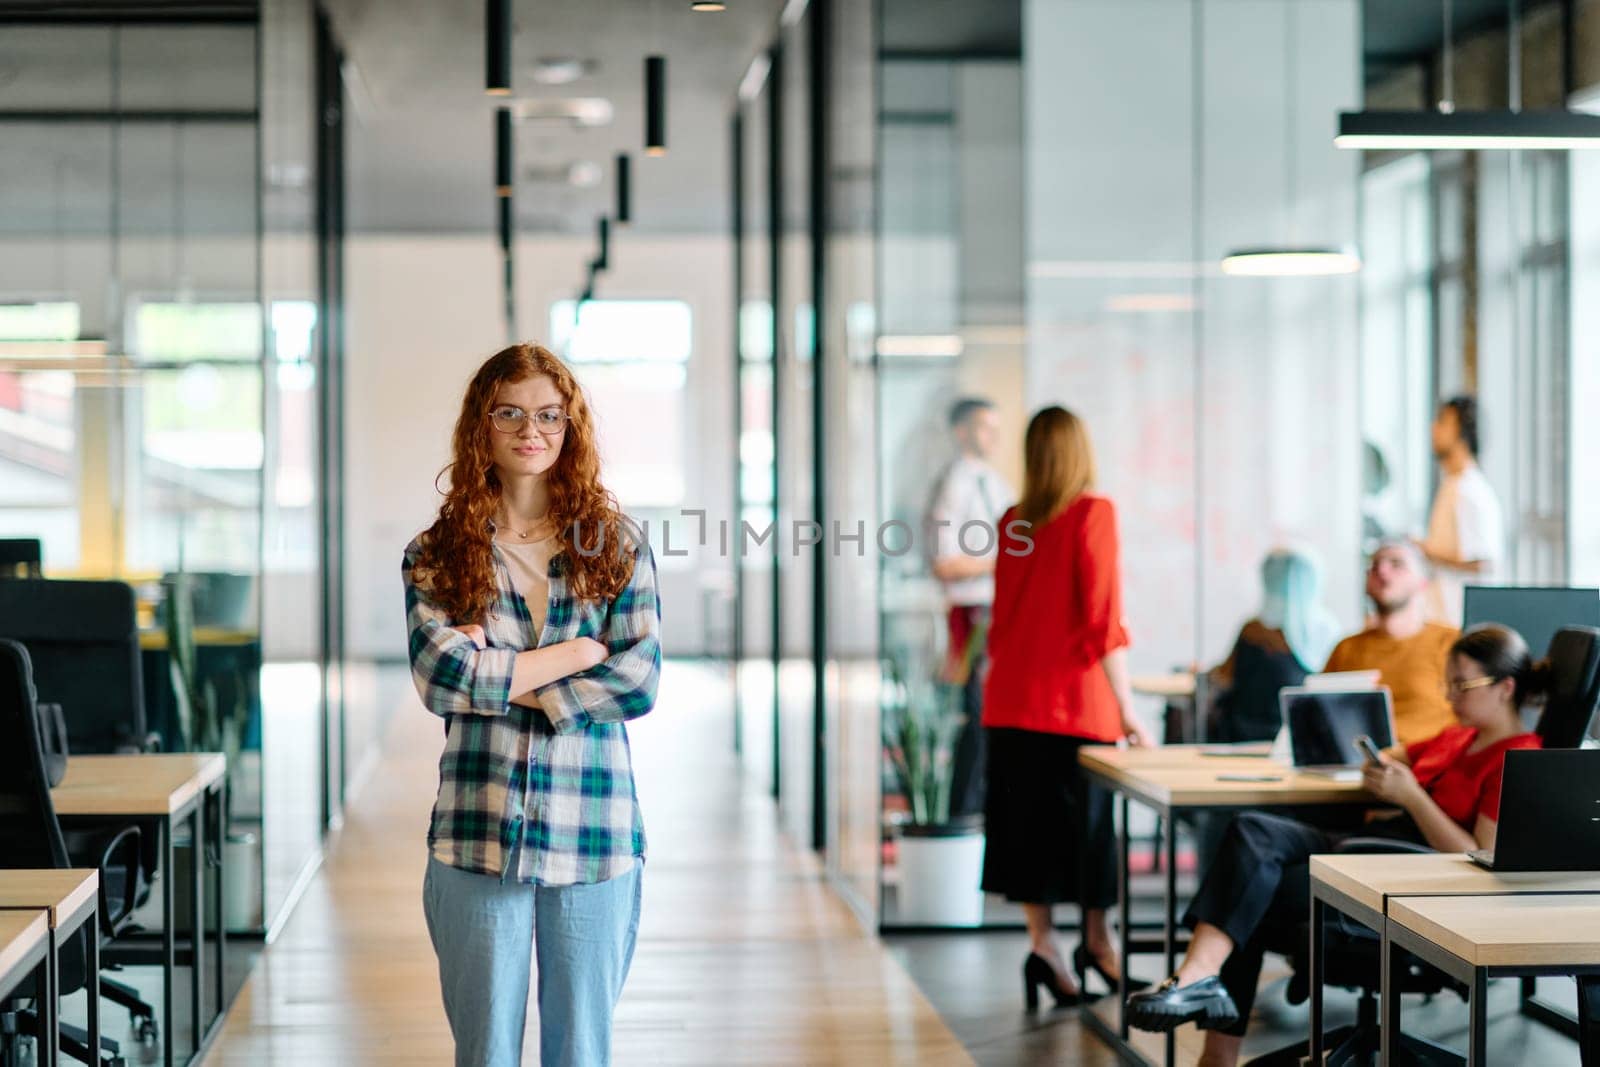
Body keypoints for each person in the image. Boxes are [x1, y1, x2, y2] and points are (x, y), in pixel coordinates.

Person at [403, 343, 662, 1067]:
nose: (531, 429)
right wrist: (578, 654)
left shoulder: (614, 546)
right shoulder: (437, 554)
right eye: (510, 412)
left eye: (550, 414)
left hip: (594, 834)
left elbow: (638, 679)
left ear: (570, 426)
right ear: (481, 425)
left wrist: (501, 673)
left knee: (581, 1051)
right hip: (476, 835)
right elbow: (438, 678)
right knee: (484, 1052)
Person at [1126, 624, 1546, 1061]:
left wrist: (1411, 797)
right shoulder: (1459, 738)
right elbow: (1392, 753)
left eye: (1462, 685)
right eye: (1449, 684)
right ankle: (1200, 974)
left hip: (1406, 876)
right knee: (1250, 831)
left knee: (1251, 887)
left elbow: (1478, 858)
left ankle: (1212, 1042)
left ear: (1505, 688)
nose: (1450, 697)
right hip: (1371, 847)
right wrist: (1367, 750)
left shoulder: (1517, 759)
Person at [981, 405, 1154, 1011]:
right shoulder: (1093, 514)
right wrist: (1129, 709)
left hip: (1010, 701)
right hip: (1074, 708)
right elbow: (1103, 621)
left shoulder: (1012, 521)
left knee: (1027, 835)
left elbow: (1000, 624)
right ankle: (1098, 945)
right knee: (1090, 838)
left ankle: (1045, 948)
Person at [925, 396, 1013, 818]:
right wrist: (1002, 562)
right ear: (961, 431)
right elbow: (944, 562)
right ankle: (964, 812)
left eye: (995, 427)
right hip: (971, 613)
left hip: (997, 611)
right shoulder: (954, 485)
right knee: (976, 720)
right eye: (983, 427)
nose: (991, 436)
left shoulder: (994, 483)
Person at [1323, 540, 1457, 746]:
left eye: (1397, 564)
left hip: (1428, 767)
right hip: (1357, 766)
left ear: (1423, 582)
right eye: (1374, 566)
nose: (1382, 571)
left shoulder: (1451, 643)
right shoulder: (1345, 649)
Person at [1207, 548, 1342, 744]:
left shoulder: (1254, 630)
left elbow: (1224, 678)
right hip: (1299, 740)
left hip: (1243, 736)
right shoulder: (1328, 630)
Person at [1418, 395, 1504, 626]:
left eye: (1443, 422)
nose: (1433, 428)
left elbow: (1482, 563)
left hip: (1457, 624)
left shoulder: (1469, 491)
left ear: (1462, 432)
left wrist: (1427, 552)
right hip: (1441, 619)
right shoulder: (1452, 484)